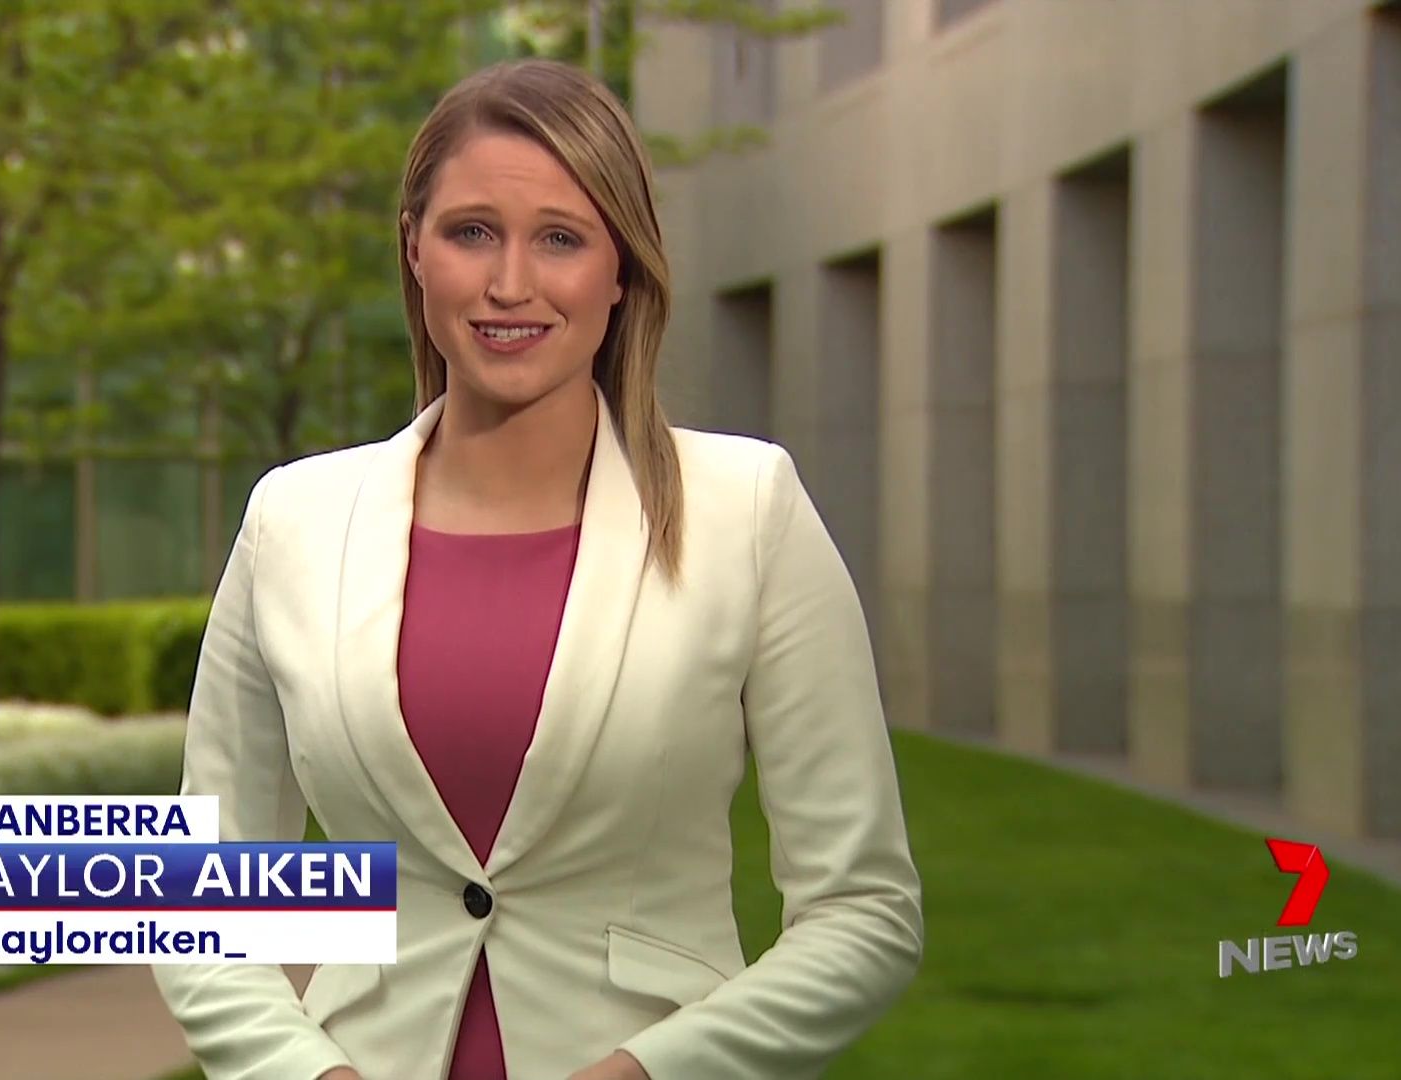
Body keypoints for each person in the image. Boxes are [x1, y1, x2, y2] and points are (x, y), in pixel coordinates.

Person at [155, 58, 923, 1080]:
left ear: (621, 269)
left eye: (560, 238)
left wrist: (643, 1075)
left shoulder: (747, 509)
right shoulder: (292, 522)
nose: (510, 283)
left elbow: (865, 911)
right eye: (472, 232)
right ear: (414, 248)